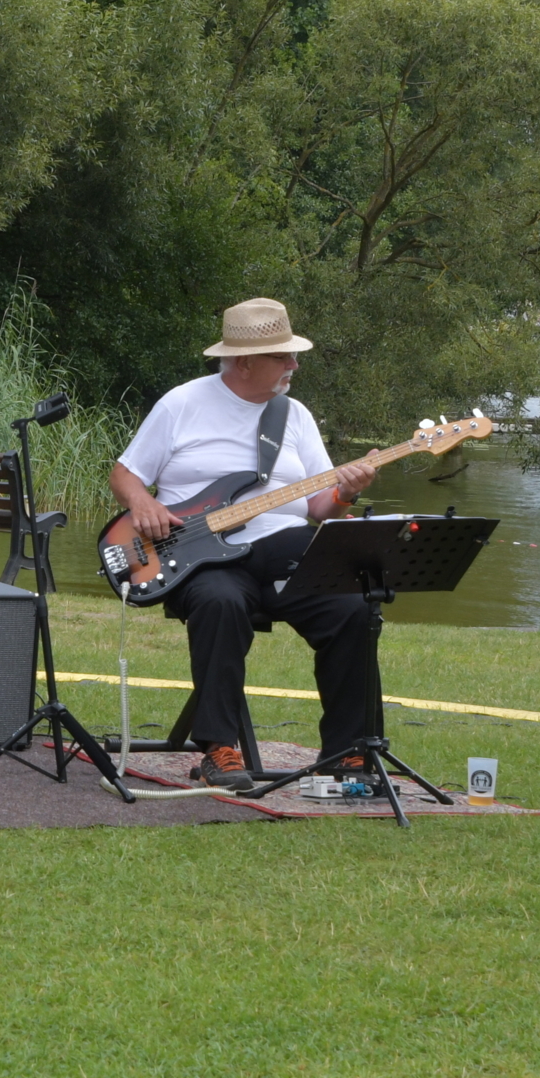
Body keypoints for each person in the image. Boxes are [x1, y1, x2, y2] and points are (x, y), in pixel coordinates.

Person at [110, 298, 379, 790]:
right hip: (199, 556)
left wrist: (345, 491)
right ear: (244, 361)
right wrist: (141, 505)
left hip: (285, 548)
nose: (294, 365)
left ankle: (349, 753)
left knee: (354, 607)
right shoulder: (182, 403)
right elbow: (125, 473)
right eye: (283, 357)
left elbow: (320, 507)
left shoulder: (294, 414)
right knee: (220, 602)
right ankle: (218, 749)